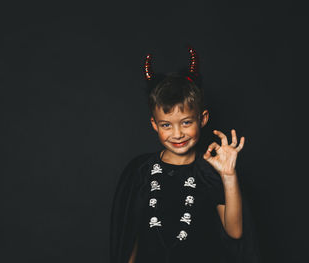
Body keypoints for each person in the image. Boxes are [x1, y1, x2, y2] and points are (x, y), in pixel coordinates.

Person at [109, 47, 260, 263]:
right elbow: (129, 238)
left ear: (203, 119)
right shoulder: (140, 172)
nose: (177, 133)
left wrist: (228, 175)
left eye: (186, 122)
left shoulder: (209, 172)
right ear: (154, 124)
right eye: (166, 125)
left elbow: (235, 232)